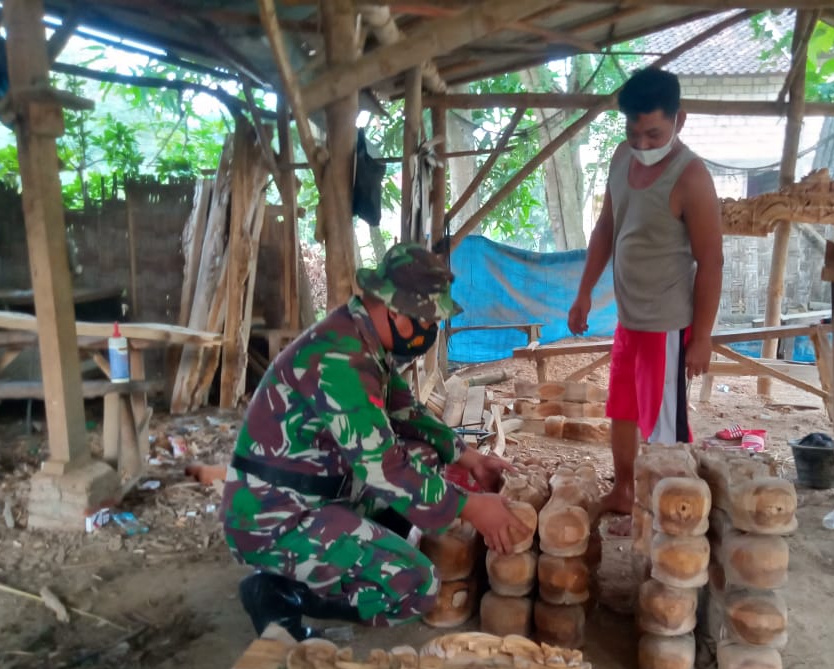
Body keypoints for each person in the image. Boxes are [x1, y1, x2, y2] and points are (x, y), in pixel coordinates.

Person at [221, 243, 528, 639]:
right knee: (417, 586)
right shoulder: (340, 357)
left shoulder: (362, 342)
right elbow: (384, 467)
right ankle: (283, 593)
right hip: (272, 516)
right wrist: (469, 507)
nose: (430, 331)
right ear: (397, 312)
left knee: (425, 453)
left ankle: (354, 550)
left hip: (316, 492)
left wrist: (467, 456)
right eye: (427, 319)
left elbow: (407, 413)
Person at [567, 67, 724, 516]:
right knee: (622, 409)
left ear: (680, 120)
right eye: (634, 133)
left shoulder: (691, 177)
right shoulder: (621, 158)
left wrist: (703, 336)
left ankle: (669, 509)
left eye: (654, 134)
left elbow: (711, 260)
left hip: (667, 325)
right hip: (629, 318)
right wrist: (584, 294)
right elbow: (605, 229)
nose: (643, 145)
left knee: (662, 423)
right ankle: (623, 489)